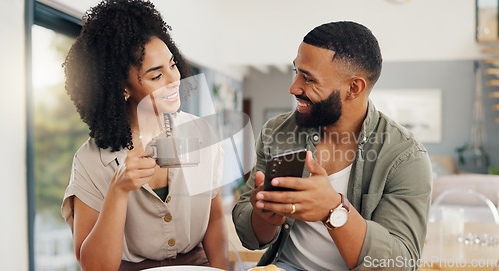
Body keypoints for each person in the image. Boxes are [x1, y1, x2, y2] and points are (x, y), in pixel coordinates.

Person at [232, 21, 432, 271]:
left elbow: (399, 263)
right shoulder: (278, 131)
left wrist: (333, 209)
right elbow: (248, 235)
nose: (294, 87)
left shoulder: (405, 156)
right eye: (296, 71)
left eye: (308, 78)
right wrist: (263, 217)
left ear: (353, 88)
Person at [61, 0, 228, 270]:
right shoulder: (91, 160)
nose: (174, 80)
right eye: (156, 76)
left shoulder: (200, 132)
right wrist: (118, 190)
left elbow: (216, 219)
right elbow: (93, 266)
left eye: (172, 65)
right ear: (122, 88)